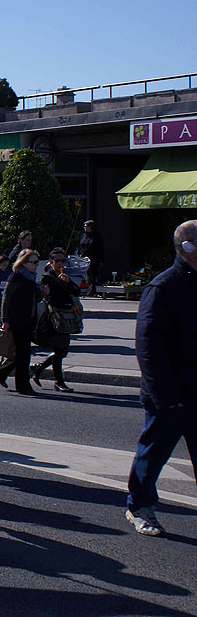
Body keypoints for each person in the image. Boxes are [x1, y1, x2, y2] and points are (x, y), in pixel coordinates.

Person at [125, 220, 197, 537]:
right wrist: (164, 395)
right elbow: (148, 346)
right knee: (152, 454)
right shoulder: (163, 287)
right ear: (187, 247)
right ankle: (139, 507)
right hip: (171, 393)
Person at [0, 249, 41, 396]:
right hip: (17, 320)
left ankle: (3, 373)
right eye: (33, 262)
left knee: (21, 353)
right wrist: (5, 320)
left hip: (28, 319)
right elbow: (6, 299)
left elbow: (34, 298)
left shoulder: (31, 277)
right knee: (23, 354)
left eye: (37, 262)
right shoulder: (16, 277)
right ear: (24, 262)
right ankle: (23, 385)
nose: (36, 265)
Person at [32, 247, 79, 393]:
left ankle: (39, 369)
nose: (61, 263)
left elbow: (76, 292)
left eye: (63, 260)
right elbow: (50, 295)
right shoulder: (48, 277)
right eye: (57, 261)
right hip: (53, 318)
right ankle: (59, 382)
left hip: (66, 318)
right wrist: (61, 284)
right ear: (51, 262)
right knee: (60, 350)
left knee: (62, 351)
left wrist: (68, 282)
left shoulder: (65, 277)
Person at [78, 220, 105, 296]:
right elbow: (81, 245)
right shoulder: (83, 235)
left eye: (86, 226)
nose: (84, 227)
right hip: (84, 258)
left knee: (94, 274)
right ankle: (89, 288)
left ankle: (95, 290)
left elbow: (100, 249)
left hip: (94, 258)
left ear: (90, 227)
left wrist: (101, 260)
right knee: (87, 274)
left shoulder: (96, 236)